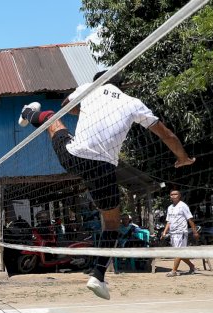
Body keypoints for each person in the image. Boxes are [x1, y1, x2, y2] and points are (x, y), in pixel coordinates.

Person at [18, 70, 196, 300]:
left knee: (54, 119)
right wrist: (183, 158)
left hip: (75, 157)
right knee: (112, 223)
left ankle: (34, 114)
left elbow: (67, 106)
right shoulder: (133, 103)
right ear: (122, 86)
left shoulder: (88, 89)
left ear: (98, 81)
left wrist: (86, 109)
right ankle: (98, 275)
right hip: (102, 167)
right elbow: (167, 135)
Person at [161, 190, 200, 277]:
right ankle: (192, 266)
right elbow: (168, 222)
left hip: (181, 232)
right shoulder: (170, 207)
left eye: (175, 194)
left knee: (178, 252)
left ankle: (174, 271)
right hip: (173, 233)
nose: (173, 196)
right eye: (171, 194)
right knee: (179, 253)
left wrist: (195, 232)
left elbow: (190, 219)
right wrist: (164, 232)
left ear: (179, 196)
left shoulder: (183, 206)